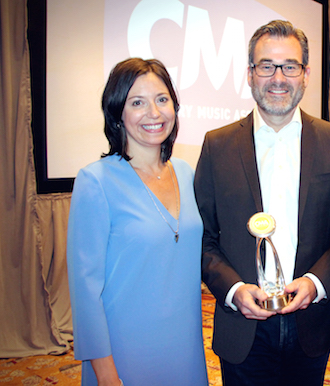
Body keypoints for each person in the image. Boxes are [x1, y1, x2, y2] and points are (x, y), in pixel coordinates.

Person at [194, 20, 330, 386]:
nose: (278, 78)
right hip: (242, 326)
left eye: (290, 66)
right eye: (266, 66)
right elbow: (203, 238)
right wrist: (233, 290)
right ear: (250, 74)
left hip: (311, 324)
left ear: (306, 74)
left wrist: (316, 282)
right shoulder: (217, 146)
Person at [67, 58, 208, 386]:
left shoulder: (187, 173)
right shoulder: (95, 181)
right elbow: (85, 292)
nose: (154, 113)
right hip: (124, 351)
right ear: (118, 112)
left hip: (185, 344)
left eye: (162, 100)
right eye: (137, 103)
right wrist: (105, 373)